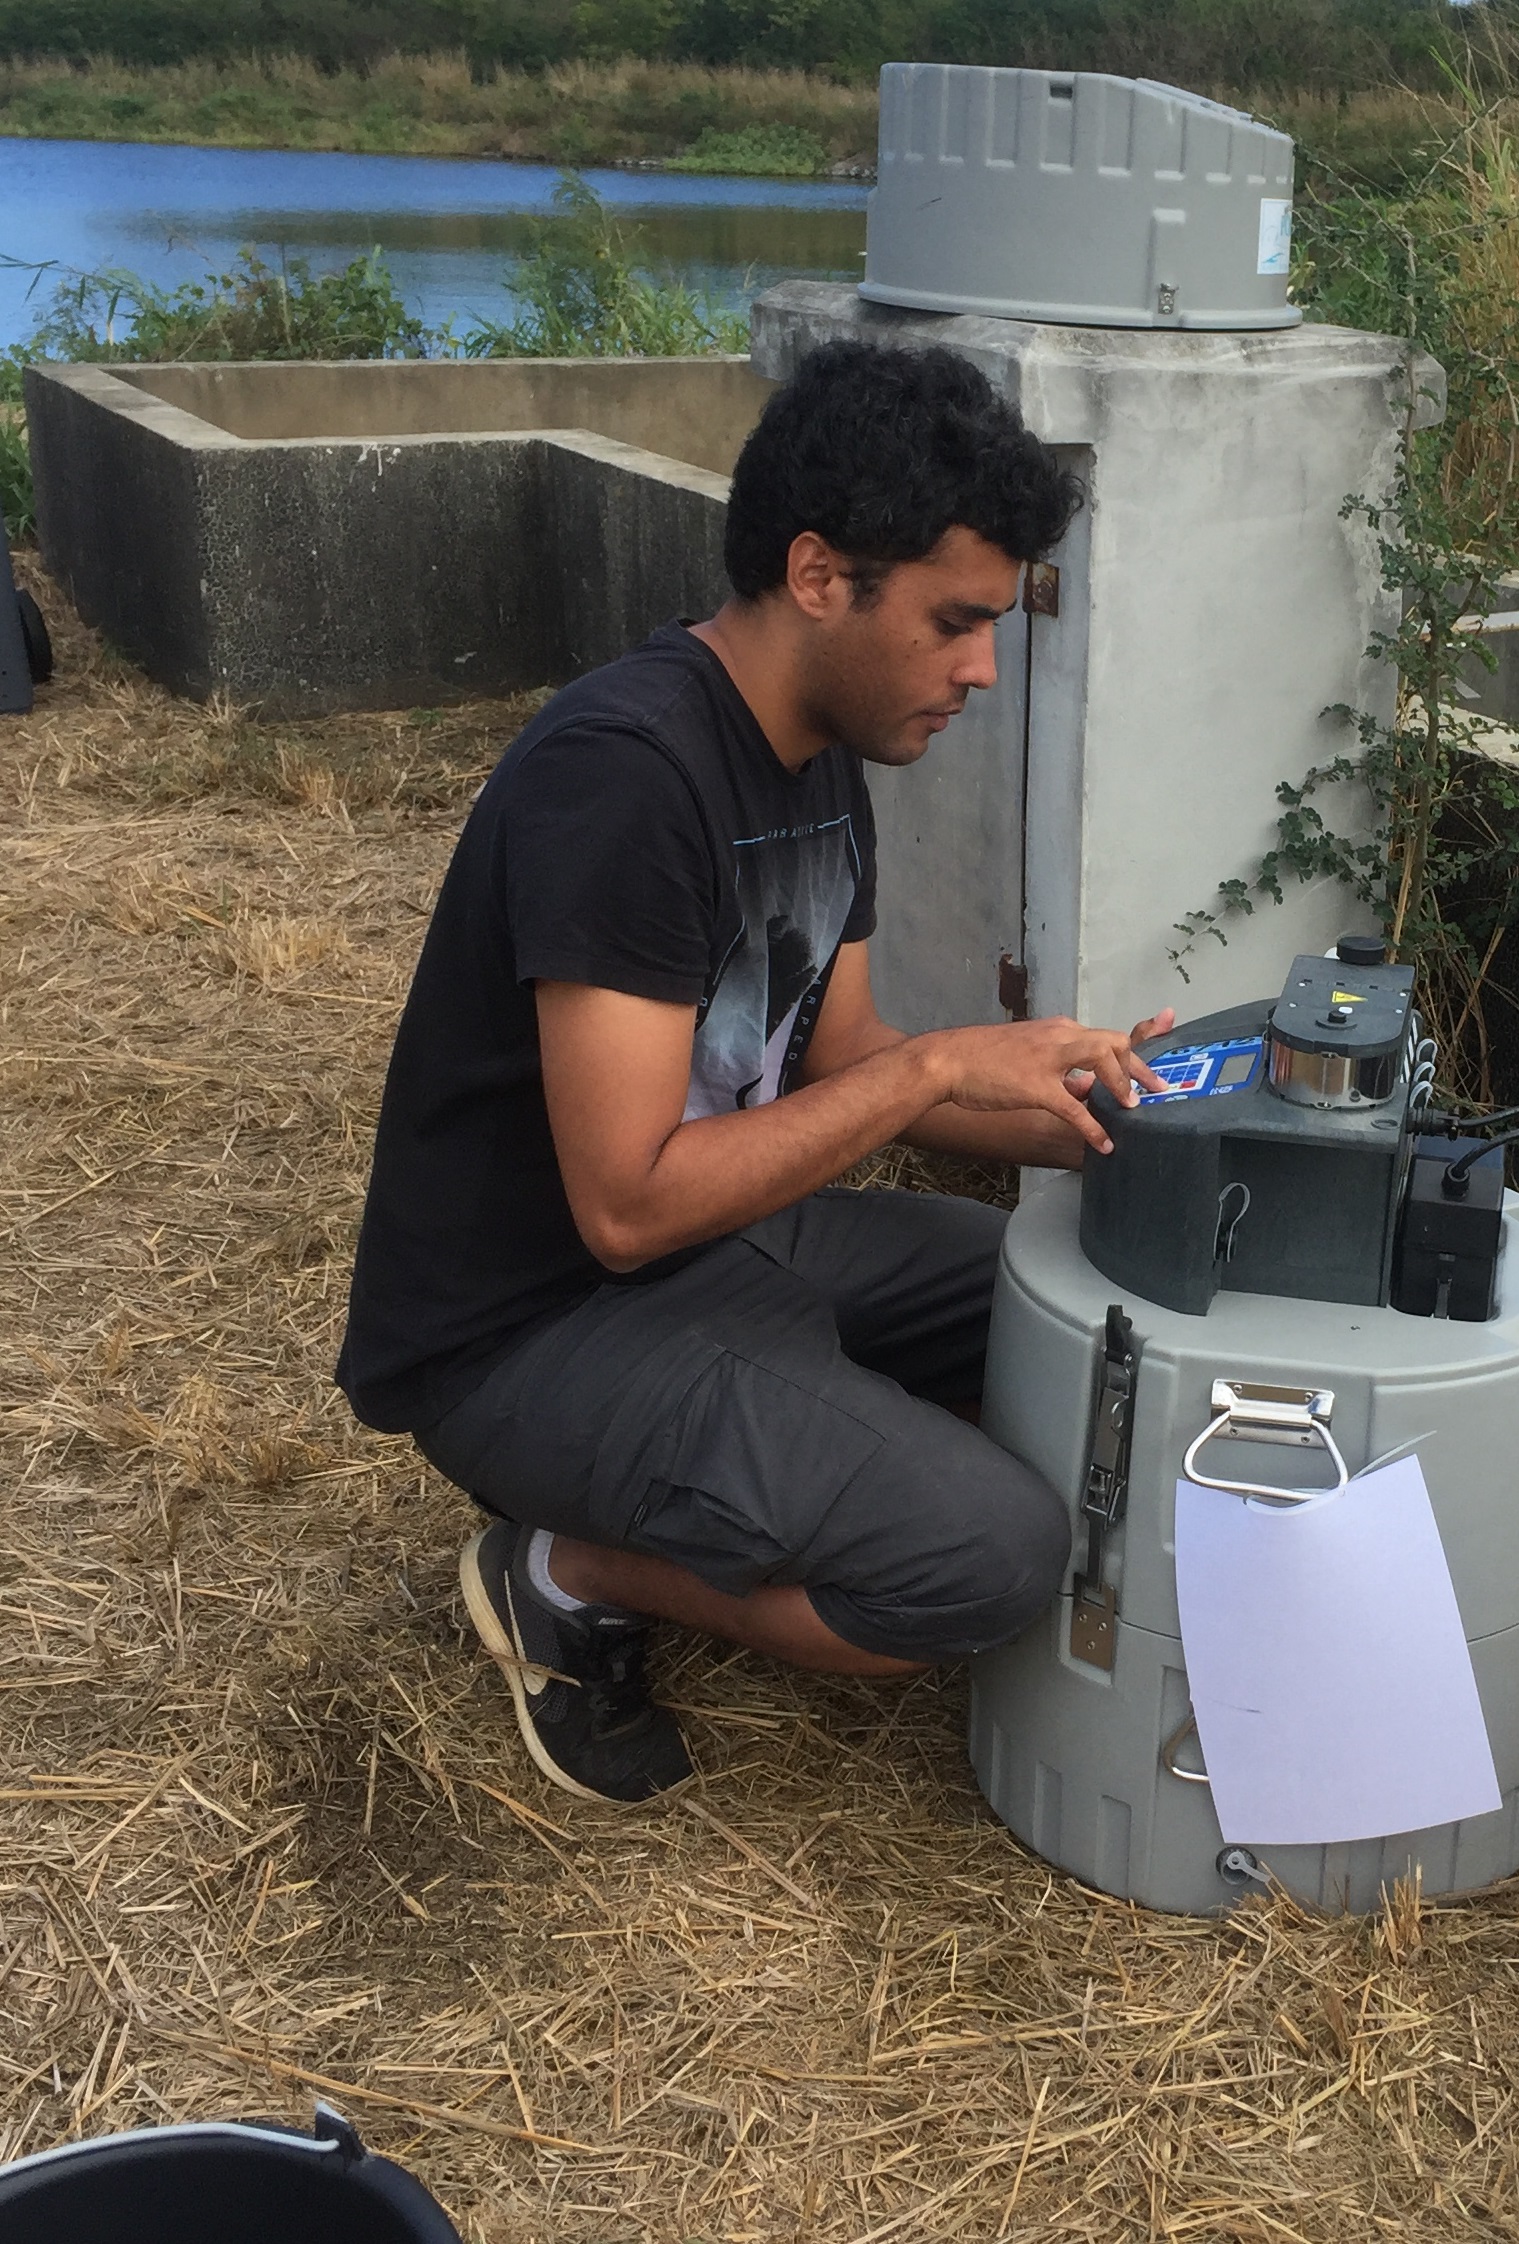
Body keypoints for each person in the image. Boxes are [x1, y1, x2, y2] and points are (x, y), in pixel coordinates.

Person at [335, 340, 1170, 1804]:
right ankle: (567, 1562)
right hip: (527, 1323)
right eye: (957, 623)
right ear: (820, 573)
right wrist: (934, 1081)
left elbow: (838, 1061)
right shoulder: (626, 779)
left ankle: (789, 1433)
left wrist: (1090, 1107)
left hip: (721, 1239)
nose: (983, 668)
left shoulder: (822, 752)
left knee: (1062, 1315)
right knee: (992, 1558)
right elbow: (628, 1208)